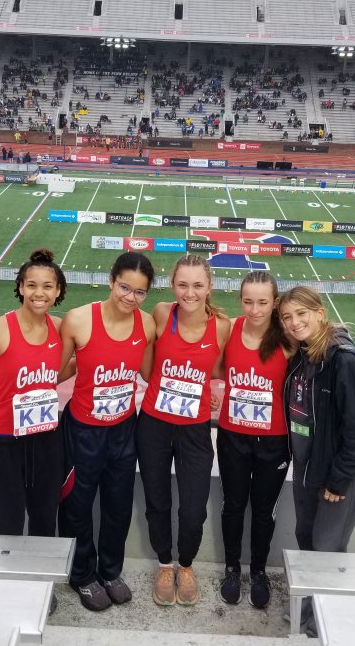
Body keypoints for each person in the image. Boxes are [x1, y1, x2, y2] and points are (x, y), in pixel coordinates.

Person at [57, 252, 157, 611]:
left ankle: (110, 571)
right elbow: (59, 370)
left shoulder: (146, 325)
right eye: (124, 287)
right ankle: (82, 575)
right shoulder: (79, 320)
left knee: (117, 507)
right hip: (82, 431)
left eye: (140, 292)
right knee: (77, 507)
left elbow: (149, 374)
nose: (130, 297)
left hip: (123, 431)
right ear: (111, 280)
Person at [278, 287, 355, 638]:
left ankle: (327, 620)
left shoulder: (342, 360)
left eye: (301, 314)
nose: (294, 322)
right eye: (287, 317)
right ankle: (309, 608)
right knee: (307, 538)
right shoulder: (304, 354)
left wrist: (339, 480)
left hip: (334, 477)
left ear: (320, 312)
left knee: (326, 548)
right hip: (306, 468)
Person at [137, 254, 231, 607]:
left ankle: (186, 565)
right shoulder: (161, 314)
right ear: (172, 285)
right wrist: (175, 388)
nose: (189, 293)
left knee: (193, 507)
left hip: (194, 430)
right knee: (157, 501)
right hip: (154, 425)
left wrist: (206, 393)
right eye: (182, 285)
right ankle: (165, 564)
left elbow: (220, 368)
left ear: (209, 287)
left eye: (197, 285)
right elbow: (147, 368)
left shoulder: (222, 326)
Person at [0, 249, 67, 541]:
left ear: (58, 291)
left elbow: (56, 373)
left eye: (48, 286)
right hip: (4, 443)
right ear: (21, 288)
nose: (40, 293)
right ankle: (5, 584)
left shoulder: (61, 328)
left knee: (44, 519)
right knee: (5, 523)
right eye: (32, 285)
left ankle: (41, 583)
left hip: (47, 441)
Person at [215, 271, 291, 610]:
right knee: (233, 505)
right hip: (233, 435)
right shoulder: (229, 329)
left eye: (263, 302)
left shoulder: (288, 341)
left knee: (263, 512)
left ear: (275, 302)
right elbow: (213, 368)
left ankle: (258, 571)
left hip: (274, 441)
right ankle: (232, 568)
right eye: (248, 301)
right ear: (239, 300)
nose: (255, 309)